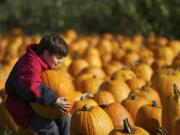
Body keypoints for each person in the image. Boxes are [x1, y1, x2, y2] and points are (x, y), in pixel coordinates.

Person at [5, 33, 71, 135]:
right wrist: (54, 99)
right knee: (51, 129)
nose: (60, 61)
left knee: (65, 119)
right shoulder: (31, 64)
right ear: (46, 54)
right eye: (58, 58)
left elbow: (53, 82)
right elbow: (33, 86)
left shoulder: (44, 60)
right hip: (23, 106)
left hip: (40, 102)